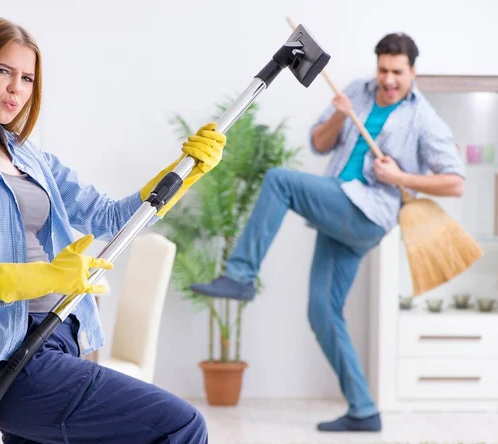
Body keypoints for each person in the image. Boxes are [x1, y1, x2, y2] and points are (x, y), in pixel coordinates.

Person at [0, 17, 226, 443]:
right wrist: (40, 277)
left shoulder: (29, 157)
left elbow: (110, 218)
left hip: (64, 335)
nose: (16, 89)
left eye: (26, 78)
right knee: (181, 425)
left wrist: (181, 175)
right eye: (3, 71)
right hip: (14, 358)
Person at [191, 32, 466, 432]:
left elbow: (455, 181)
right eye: (383, 70)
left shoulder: (423, 117)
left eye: (397, 73)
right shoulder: (357, 90)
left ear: (413, 72)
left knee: (280, 181)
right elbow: (319, 145)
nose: (389, 80)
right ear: (377, 66)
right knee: (322, 313)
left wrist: (400, 175)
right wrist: (340, 113)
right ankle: (364, 409)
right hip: (337, 205)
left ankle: (240, 274)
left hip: (367, 212)